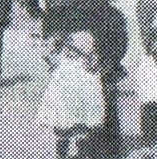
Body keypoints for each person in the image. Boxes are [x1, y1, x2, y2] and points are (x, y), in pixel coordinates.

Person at [76, 0, 130, 159]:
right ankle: (111, 153)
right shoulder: (114, 13)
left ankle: (86, 151)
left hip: (82, 71)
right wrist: (107, 63)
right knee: (108, 112)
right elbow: (122, 44)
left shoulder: (75, 12)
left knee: (83, 112)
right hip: (106, 71)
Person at [38, 31, 106, 159]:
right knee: (64, 125)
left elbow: (47, 57)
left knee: (80, 125)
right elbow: (47, 55)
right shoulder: (63, 55)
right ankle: (64, 154)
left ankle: (80, 154)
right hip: (65, 94)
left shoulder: (87, 59)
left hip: (80, 91)